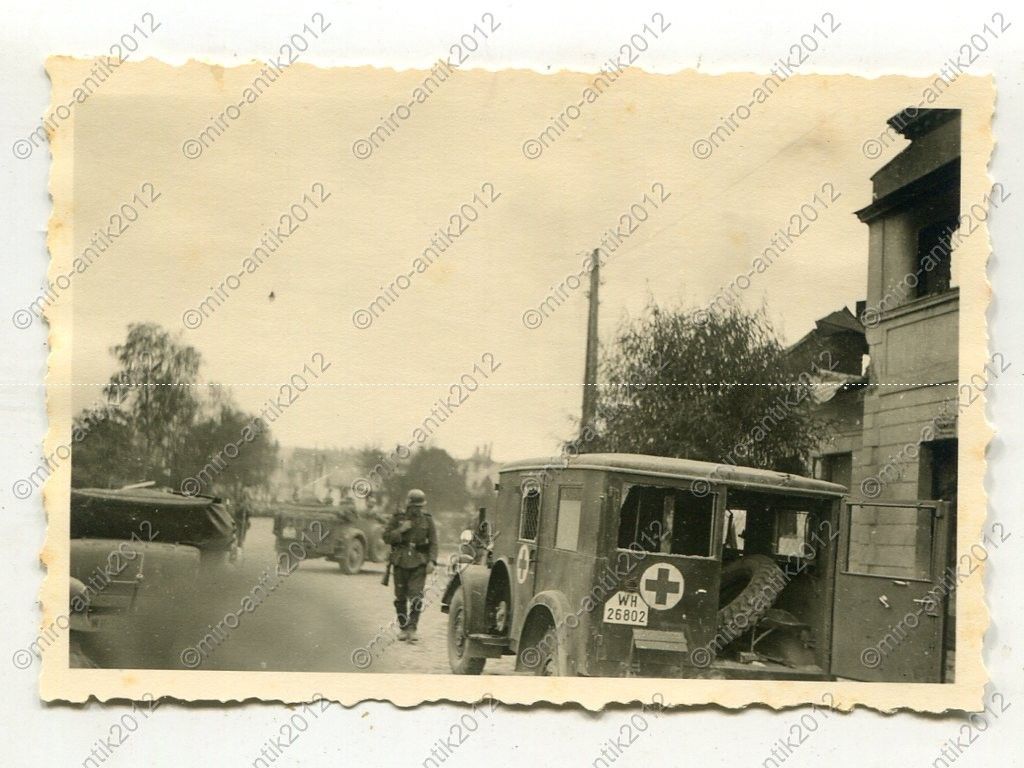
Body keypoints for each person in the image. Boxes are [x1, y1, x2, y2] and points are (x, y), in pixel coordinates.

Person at [384, 489, 438, 642]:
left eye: (420, 507)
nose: (417, 509)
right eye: (414, 506)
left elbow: (434, 542)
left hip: (419, 562)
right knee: (400, 598)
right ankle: (403, 628)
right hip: (400, 561)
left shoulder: (427, 520)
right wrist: (401, 530)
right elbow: (386, 537)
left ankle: (412, 628)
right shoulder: (398, 518)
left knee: (416, 597)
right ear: (408, 505)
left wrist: (432, 561)